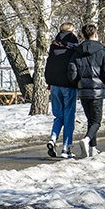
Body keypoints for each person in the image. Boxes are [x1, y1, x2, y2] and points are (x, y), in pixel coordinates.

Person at [68, 24, 105, 158]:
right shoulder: (101, 51)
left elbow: (72, 72)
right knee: (96, 121)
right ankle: (87, 140)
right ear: (96, 33)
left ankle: (93, 149)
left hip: (83, 90)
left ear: (83, 35)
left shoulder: (77, 51)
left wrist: (78, 83)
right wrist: (104, 84)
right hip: (97, 90)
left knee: (91, 120)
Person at [43, 23, 80, 158]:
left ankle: (53, 138)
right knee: (69, 117)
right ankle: (66, 148)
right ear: (72, 31)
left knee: (58, 116)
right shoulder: (74, 46)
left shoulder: (53, 46)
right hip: (68, 85)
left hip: (54, 86)